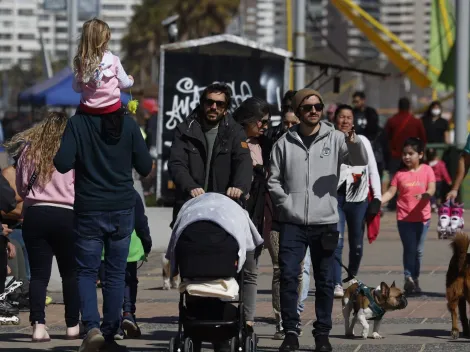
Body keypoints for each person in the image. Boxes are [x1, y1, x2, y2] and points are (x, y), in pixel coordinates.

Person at [54, 19, 152, 352]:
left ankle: (92, 328)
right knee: (115, 271)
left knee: (85, 270)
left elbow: (62, 163)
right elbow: (146, 166)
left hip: (88, 208)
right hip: (122, 207)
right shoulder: (127, 124)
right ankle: (111, 330)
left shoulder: (77, 124)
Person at [268, 88, 368, 352]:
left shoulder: (336, 138)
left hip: (325, 222)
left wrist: (354, 142)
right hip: (292, 222)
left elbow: (359, 162)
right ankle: (290, 331)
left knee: (324, 281)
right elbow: (273, 180)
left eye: (318, 106)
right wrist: (287, 203)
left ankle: (322, 333)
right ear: (299, 112)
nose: (314, 110)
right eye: (308, 107)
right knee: (289, 277)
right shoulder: (284, 143)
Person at [12, 112, 80, 341]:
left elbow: (21, 189)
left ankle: (38, 326)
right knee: (70, 273)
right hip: (68, 215)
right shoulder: (73, 151)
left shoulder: (28, 151)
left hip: (36, 214)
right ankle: (72, 325)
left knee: (39, 275)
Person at [168, 83, 252, 226]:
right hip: (191, 206)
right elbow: (177, 163)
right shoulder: (184, 130)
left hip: (224, 208)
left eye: (220, 104)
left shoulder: (235, 132)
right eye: (209, 102)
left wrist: (239, 187)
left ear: (225, 109)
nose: (214, 107)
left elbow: (243, 161)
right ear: (202, 104)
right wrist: (190, 186)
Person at [332, 104, 382, 298]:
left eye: (349, 117)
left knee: (357, 245)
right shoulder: (329, 140)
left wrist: (377, 197)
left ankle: (351, 277)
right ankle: (336, 283)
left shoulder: (363, 141)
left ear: (354, 121)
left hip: (357, 197)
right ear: (335, 119)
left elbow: (373, 171)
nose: (345, 121)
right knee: (336, 241)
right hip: (335, 197)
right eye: (341, 117)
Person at [233, 97, 270, 333]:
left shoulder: (264, 144)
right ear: (248, 120)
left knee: (251, 271)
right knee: (229, 270)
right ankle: (228, 314)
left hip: (255, 216)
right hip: (232, 214)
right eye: (262, 121)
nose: (265, 126)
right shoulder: (232, 140)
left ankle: (247, 319)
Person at [381, 138, 435, 294]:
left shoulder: (427, 170)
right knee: (409, 248)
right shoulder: (399, 174)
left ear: (420, 154)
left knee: (418, 250)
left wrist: (425, 195)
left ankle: (415, 278)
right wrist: (379, 202)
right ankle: (408, 276)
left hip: (423, 218)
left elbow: (431, 188)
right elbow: (391, 192)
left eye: (411, 154)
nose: (407, 157)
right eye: (404, 154)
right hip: (404, 219)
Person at [101, 190, 152, 340]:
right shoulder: (131, 193)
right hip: (130, 245)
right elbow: (141, 221)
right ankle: (128, 313)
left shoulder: (99, 192)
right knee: (129, 281)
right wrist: (146, 243)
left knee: (108, 284)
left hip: (105, 247)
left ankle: (114, 323)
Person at [72, 18, 134, 115]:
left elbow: (77, 88)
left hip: (87, 110)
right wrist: (130, 80)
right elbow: (124, 84)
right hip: (112, 110)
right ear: (105, 40)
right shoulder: (114, 60)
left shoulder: (81, 62)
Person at [384, 97, 427, 210]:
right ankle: (413, 201)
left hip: (395, 155)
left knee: (394, 180)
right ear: (409, 107)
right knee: (413, 179)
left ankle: (393, 203)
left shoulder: (392, 121)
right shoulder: (416, 121)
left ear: (399, 106)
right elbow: (423, 139)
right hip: (412, 156)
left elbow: (385, 138)